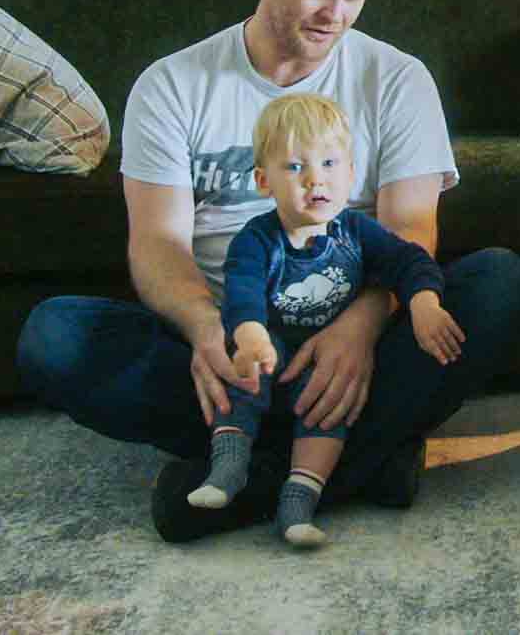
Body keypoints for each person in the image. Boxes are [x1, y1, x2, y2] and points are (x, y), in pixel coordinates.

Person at [16, 0, 520, 544]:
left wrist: (360, 325)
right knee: (53, 336)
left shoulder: (398, 79)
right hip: (229, 351)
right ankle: (362, 461)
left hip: (358, 348)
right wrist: (209, 330)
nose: (337, 13)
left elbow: (411, 233)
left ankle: (252, 481)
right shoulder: (174, 84)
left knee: (500, 284)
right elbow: (156, 243)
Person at [187, 92, 458, 549]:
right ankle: (229, 468)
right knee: (242, 377)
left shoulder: (356, 231)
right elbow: (242, 293)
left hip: (330, 362)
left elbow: (408, 261)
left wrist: (424, 303)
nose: (316, 179)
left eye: (331, 164)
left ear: (351, 174)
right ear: (262, 180)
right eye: (295, 167)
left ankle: (298, 505)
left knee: (327, 413)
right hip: (272, 349)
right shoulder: (258, 239)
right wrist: (251, 337)